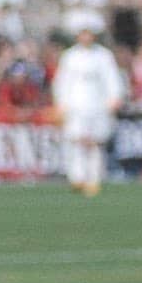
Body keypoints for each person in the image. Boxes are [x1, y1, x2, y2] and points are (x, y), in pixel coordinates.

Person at [52, 18, 124, 196]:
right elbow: (62, 81)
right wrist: (61, 103)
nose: (86, 37)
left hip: (98, 104)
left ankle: (94, 179)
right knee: (76, 141)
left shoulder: (104, 55)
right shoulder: (70, 56)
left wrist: (114, 97)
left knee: (96, 143)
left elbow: (112, 78)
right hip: (75, 105)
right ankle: (77, 177)